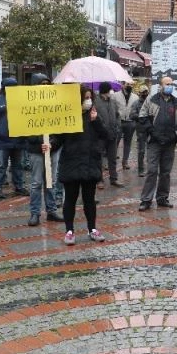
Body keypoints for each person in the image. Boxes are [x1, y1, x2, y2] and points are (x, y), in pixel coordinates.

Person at [48, 85, 108, 245]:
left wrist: (96, 122)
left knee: (89, 199)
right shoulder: (67, 116)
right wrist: (50, 146)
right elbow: (58, 139)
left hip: (90, 163)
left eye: (90, 97)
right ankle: (69, 231)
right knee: (70, 200)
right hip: (71, 163)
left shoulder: (94, 115)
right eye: (85, 97)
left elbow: (107, 135)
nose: (88, 101)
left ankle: (92, 229)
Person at [138, 76, 177, 211]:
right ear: (161, 85)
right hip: (154, 142)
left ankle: (162, 198)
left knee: (165, 172)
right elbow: (142, 116)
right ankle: (146, 199)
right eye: (167, 84)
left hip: (170, 143)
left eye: (171, 84)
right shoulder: (151, 99)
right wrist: (152, 131)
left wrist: (176, 132)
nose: (169, 86)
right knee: (152, 170)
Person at [25, 74, 63, 226]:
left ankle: (51, 210)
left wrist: (52, 144)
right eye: (42, 84)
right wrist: (40, 142)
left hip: (52, 150)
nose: (46, 88)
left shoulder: (55, 106)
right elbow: (25, 129)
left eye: (48, 84)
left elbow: (60, 129)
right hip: (36, 151)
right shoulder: (28, 106)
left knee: (51, 182)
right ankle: (35, 213)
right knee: (36, 183)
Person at [0, 77, 28, 200]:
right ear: (4, 88)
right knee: (0, 165)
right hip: (2, 140)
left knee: (18, 165)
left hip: (19, 140)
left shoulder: (21, 100)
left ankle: (19, 186)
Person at [94, 82, 124, 188]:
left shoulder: (112, 101)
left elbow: (117, 115)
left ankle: (114, 178)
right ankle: (99, 180)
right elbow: (96, 118)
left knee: (112, 158)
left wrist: (117, 127)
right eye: (110, 90)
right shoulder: (95, 102)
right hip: (100, 136)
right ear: (105, 91)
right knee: (99, 158)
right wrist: (102, 130)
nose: (111, 92)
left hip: (113, 134)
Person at [131, 86, 150, 177]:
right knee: (141, 150)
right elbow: (132, 115)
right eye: (143, 92)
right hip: (141, 129)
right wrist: (141, 116)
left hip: (150, 129)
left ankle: (151, 168)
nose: (145, 94)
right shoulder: (136, 103)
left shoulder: (150, 102)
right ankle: (140, 169)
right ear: (140, 93)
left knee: (151, 150)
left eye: (146, 92)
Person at [119, 83, 138, 170]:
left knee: (128, 143)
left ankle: (125, 161)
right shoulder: (115, 96)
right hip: (119, 121)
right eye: (126, 84)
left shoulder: (135, 97)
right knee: (115, 141)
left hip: (130, 122)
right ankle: (111, 161)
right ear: (122, 85)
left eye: (130, 84)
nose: (128, 85)